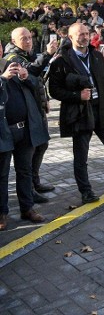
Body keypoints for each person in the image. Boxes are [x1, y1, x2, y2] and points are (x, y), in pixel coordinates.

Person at [46, 23, 104, 204]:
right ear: (70, 37)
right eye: (80, 34)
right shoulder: (61, 60)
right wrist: (76, 95)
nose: (85, 37)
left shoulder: (96, 55)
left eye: (87, 34)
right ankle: (86, 192)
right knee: (81, 155)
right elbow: (54, 90)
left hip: (102, 109)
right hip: (80, 112)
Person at [4, 27, 58, 203]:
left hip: (36, 107)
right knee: (33, 150)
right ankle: (30, 189)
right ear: (14, 42)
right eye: (23, 38)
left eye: (29, 37)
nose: (28, 41)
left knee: (42, 145)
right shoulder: (13, 58)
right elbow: (31, 74)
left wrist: (45, 99)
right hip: (25, 114)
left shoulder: (28, 53)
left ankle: (35, 183)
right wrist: (48, 54)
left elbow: (38, 81)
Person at [0, 53, 49, 229]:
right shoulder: (4, 73)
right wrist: (2, 79)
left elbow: (35, 84)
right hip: (3, 132)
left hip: (24, 130)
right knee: (2, 175)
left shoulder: (12, 64)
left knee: (25, 171)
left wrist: (26, 76)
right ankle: (1, 214)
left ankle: (27, 208)